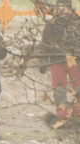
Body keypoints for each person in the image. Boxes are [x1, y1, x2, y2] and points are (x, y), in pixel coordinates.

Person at [39, 0, 80, 129]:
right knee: (59, 90)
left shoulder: (76, 22)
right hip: (56, 60)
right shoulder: (52, 24)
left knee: (78, 88)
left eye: (65, 7)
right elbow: (44, 43)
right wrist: (43, 62)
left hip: (73, 59)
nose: (63, 9)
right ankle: (62, 119)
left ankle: (77, 117)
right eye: (60, 7)